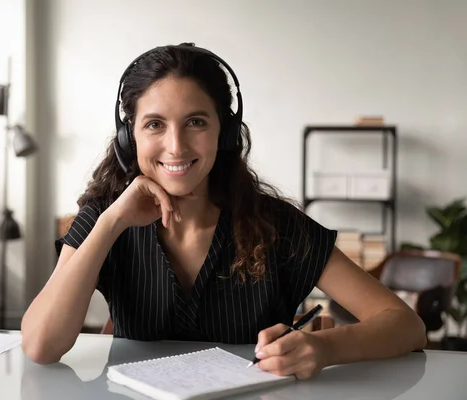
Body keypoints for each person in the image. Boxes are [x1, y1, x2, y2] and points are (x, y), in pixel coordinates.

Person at [21, 43, 426, 378]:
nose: (176, 146)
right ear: (129, 137)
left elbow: (406, 325)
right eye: (154, 124)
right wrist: (111, 222)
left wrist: (320, 347)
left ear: (226, 133)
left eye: (195, 122)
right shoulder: (104, 218)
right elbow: (41, 345)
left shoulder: (277, 225)